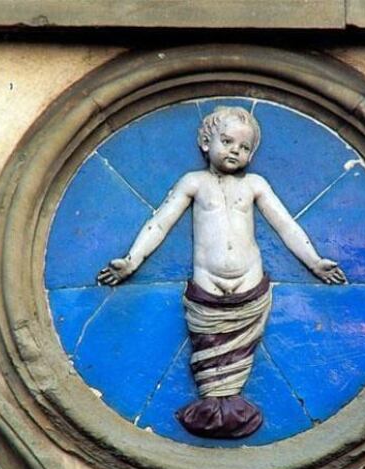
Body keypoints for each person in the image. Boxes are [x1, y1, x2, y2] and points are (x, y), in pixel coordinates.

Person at [97, 106, 346, 439]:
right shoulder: (194, 183)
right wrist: (132, 261)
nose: (234, 151)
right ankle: (212, 413)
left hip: (250, 289)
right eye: (226, 141)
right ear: (205, 141)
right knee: (211, 363)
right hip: (207, 293)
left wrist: (314, 262)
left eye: (243, 147)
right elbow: (160, 222)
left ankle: (233, 413)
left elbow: (286, 225)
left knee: (238, 361)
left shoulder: (255, 185)